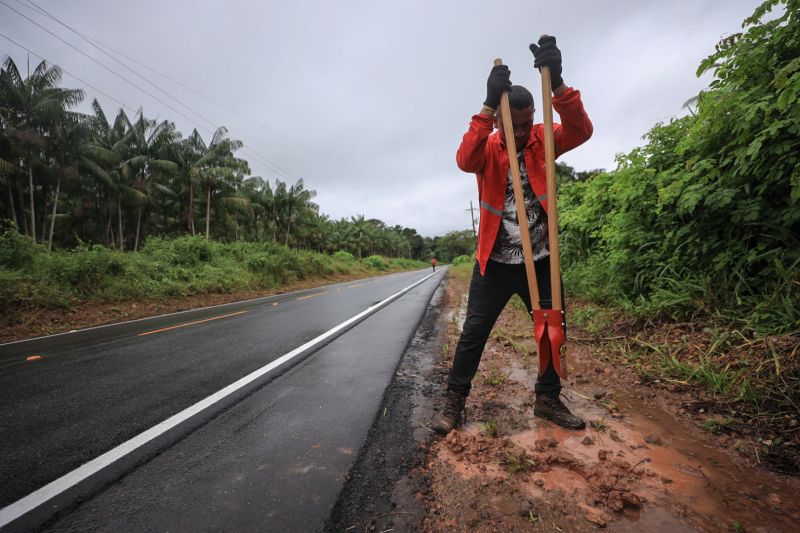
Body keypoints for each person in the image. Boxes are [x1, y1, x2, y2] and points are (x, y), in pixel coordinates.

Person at [431, 36, 593, 435]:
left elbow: (582, 129)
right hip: (495, 263)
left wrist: (558, 84)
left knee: (552, 329)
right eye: (514, 126)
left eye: (527, 123)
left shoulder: (544, 139)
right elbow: (463, 159)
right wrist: (487, 107)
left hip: (540, 260)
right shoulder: (488, 148)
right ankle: (455, 400)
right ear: (502, 123)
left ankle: (547, 399)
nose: (522, 132)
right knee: (473, 333)